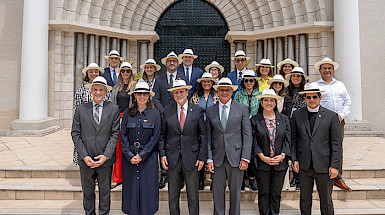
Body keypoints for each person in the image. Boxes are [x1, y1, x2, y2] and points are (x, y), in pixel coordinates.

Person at [291, 82, 342, 215]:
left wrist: (335, 166)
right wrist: (294, 159)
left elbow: (336, 143)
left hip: (324, 165)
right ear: (304, 98)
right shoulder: (297, 115)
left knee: (326, 200)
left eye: (315, 97)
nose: (312, 100)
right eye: (309, 97)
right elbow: (294, 140)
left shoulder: (331, 116)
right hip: (304, 165)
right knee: (305, 199)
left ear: (320, 98)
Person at [71, 76, 120, 215]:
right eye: (95, 90)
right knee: (88, 193)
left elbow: (114, 134)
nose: (98, 93)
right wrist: (84, 156)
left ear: (106, 92)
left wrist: (105, 156)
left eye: (101, 90)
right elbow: (75, 133)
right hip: (86, 159)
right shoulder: (81, 109)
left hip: (105, 160)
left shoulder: (113, 109)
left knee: (105, 194)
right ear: (91, 91)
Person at [159, 79, 207, 215]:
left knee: (193, 195)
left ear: (187, 92)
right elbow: (162, 135)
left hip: (192, 158)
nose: (179, 94)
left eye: (181, 91)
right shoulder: (167, 110)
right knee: (173, 196)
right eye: (176, 92)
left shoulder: (197, 110)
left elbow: (203, 135)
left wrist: (202, 157)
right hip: (172, 158)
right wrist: (162, 155)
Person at [206, 77, 252, 215]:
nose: (224, 92)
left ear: (232, 91)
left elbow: (247, 135)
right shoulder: (211, 110)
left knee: (235, 193)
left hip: (236, 157)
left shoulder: (242, 108)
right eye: (221, 90)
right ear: (217, 92)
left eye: (227, 90)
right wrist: (209, 158)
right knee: (218, 193)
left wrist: (245, 157)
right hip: (217, 157)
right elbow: (208, 137)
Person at [120, 82, 161, 215]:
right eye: (139, 93)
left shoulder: (155, 114)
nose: (142, 96)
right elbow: (123, 135)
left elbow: (155, 137)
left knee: (147, 189)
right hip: (129, 157)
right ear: (135, 96)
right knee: (131, 188)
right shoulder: (127, 113)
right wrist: (129, 154)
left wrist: (142, 155)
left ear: (149, 96)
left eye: (145, 93)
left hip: (148, 157)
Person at [152, 51, 189, 189]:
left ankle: (180, 176)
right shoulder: (159, 79)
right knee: (166, 144)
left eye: (174, 61)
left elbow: (186, 96)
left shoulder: (183, 77)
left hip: (179, 117)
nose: (172, 63)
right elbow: (155, 97)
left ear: (178, 63)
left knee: (179, 144)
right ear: (165, 64)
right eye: (169, 61)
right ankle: (165, 175)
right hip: (164, 118)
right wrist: (164, 111)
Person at [251, 89, 291, 215]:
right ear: (261, 102)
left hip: (280, 163)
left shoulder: (284, 119)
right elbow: (253, 141)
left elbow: (288, 140)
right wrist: (262, 156)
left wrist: (282, 155)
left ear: (275, 103)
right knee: (263, 193)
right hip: (262, 163)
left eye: (272, 100)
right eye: (266, 100)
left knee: (276, 193)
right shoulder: (255, 119)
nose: (269, 103)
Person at [315, 57, 352, 191]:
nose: (327, 70)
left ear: (333, 70)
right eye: (324, 68)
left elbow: (347, 102)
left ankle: (337, 177)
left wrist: (341, 115)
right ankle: (323, 174)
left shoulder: (340, 85)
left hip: (338, 121)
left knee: (337, 147)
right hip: (321, 122)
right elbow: (314, 103)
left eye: (329, 68)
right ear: (320, 70)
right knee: (322, 148)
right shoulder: (316, 86)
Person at [109, 62, 137, 189]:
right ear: (120, 73)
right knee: (119, 149)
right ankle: (117, 178)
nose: (125, 73)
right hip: (118, 120)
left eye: (128, 71)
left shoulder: (135, 87)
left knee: (131, 149)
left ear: (131, 73)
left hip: (131, 119)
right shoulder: (116, 88)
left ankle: (129, 177)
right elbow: (111, 105)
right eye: (123, 71)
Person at [73, 63, 106, 166]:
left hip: (100, 123)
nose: (93, 73)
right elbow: (78, 107)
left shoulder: (105, 89)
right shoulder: (81, 88)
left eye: (96, 71)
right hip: (85, 123)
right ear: (87, 73)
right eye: (91, 71)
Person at [233, 70, 261, 192]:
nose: (248, 82)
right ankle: (242, 179)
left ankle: (252, 178)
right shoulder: (238, 94)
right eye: (246, 80)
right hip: (241, 127)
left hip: (255, 127)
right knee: (242, 152)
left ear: (254, 81)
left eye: (251, 80)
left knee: (253, 153)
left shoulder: (259, 94)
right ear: (243, 82)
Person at [191, 72, 219, 190]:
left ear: (212, 83)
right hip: (200, 128)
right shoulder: (196, 96)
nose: (206, 83)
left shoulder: (216, 95)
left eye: (208, 81)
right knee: (201, 151)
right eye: (204, 81)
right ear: (201, 83)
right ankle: (200, 179)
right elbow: (192, 111)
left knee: (214, 152)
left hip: (213, 127)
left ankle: (214, 180)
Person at [285, 66, 309, 189]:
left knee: (301, 150)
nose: (296, 78)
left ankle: (301, 178)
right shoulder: (286, 91)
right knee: (291, 149)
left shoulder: (306, 91)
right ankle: (294, 176)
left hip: (302, 123)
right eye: (294, 76)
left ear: (302, 78)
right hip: (289, 123)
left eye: (298, 76)